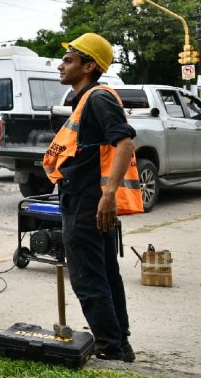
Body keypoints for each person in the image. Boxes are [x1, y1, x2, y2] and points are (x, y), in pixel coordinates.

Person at [42, 32, 139, 362]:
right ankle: (118, 342)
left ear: (89, 66)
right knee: (105, 275)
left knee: (87, 277)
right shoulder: (85, 100)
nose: (61, 65)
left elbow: (124, 143)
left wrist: (108, 194)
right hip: (84, 200)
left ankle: (110, 346)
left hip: (88, 203)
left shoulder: (97, 97)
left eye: (68, 60)